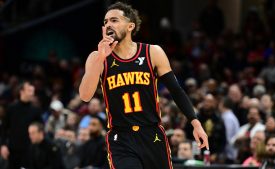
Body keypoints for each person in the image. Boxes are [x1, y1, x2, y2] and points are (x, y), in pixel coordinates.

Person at [78, 2, 209, 169]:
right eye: (106, 22)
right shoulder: (97, 57)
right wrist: (100, 58)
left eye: (114, 20)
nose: (109, 25)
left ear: (130, 26)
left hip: (152, 134)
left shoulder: (152, 52)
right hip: (121, 137)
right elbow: (85, 95)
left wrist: (195, 123)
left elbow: (176, 90)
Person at [1, 81, 43, 169]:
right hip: (13, 150)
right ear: (22, 91)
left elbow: (40, 129)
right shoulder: (11, 108)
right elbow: (3, 128)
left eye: (33, 91)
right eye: (29, 91)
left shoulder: (36, 110)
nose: (32, 94)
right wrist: (3, 145)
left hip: (29, 150)